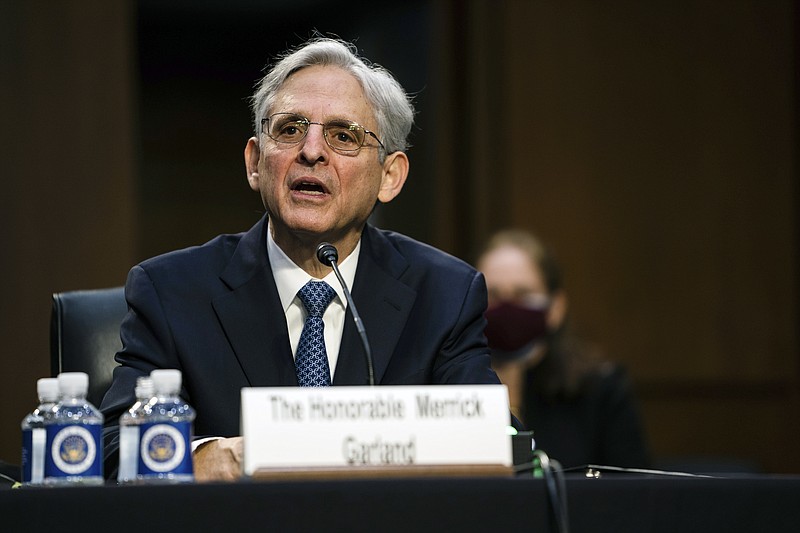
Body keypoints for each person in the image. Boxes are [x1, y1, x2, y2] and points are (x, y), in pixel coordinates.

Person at [100, 37, 508, 481]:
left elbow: (496, 440)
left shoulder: (444, 295)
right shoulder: (171, 292)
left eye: (343, 136)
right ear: (255, 163)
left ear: (389, 176)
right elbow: (111, 448)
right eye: (290, 129)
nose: (312, 151)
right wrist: (208, 458)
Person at [476, 229, 650, 468]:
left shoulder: (601, 389)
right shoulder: (448, 385)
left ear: (556, 307)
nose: (506, 306)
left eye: (522, 294)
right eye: (492, 294)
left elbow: (634, 486)